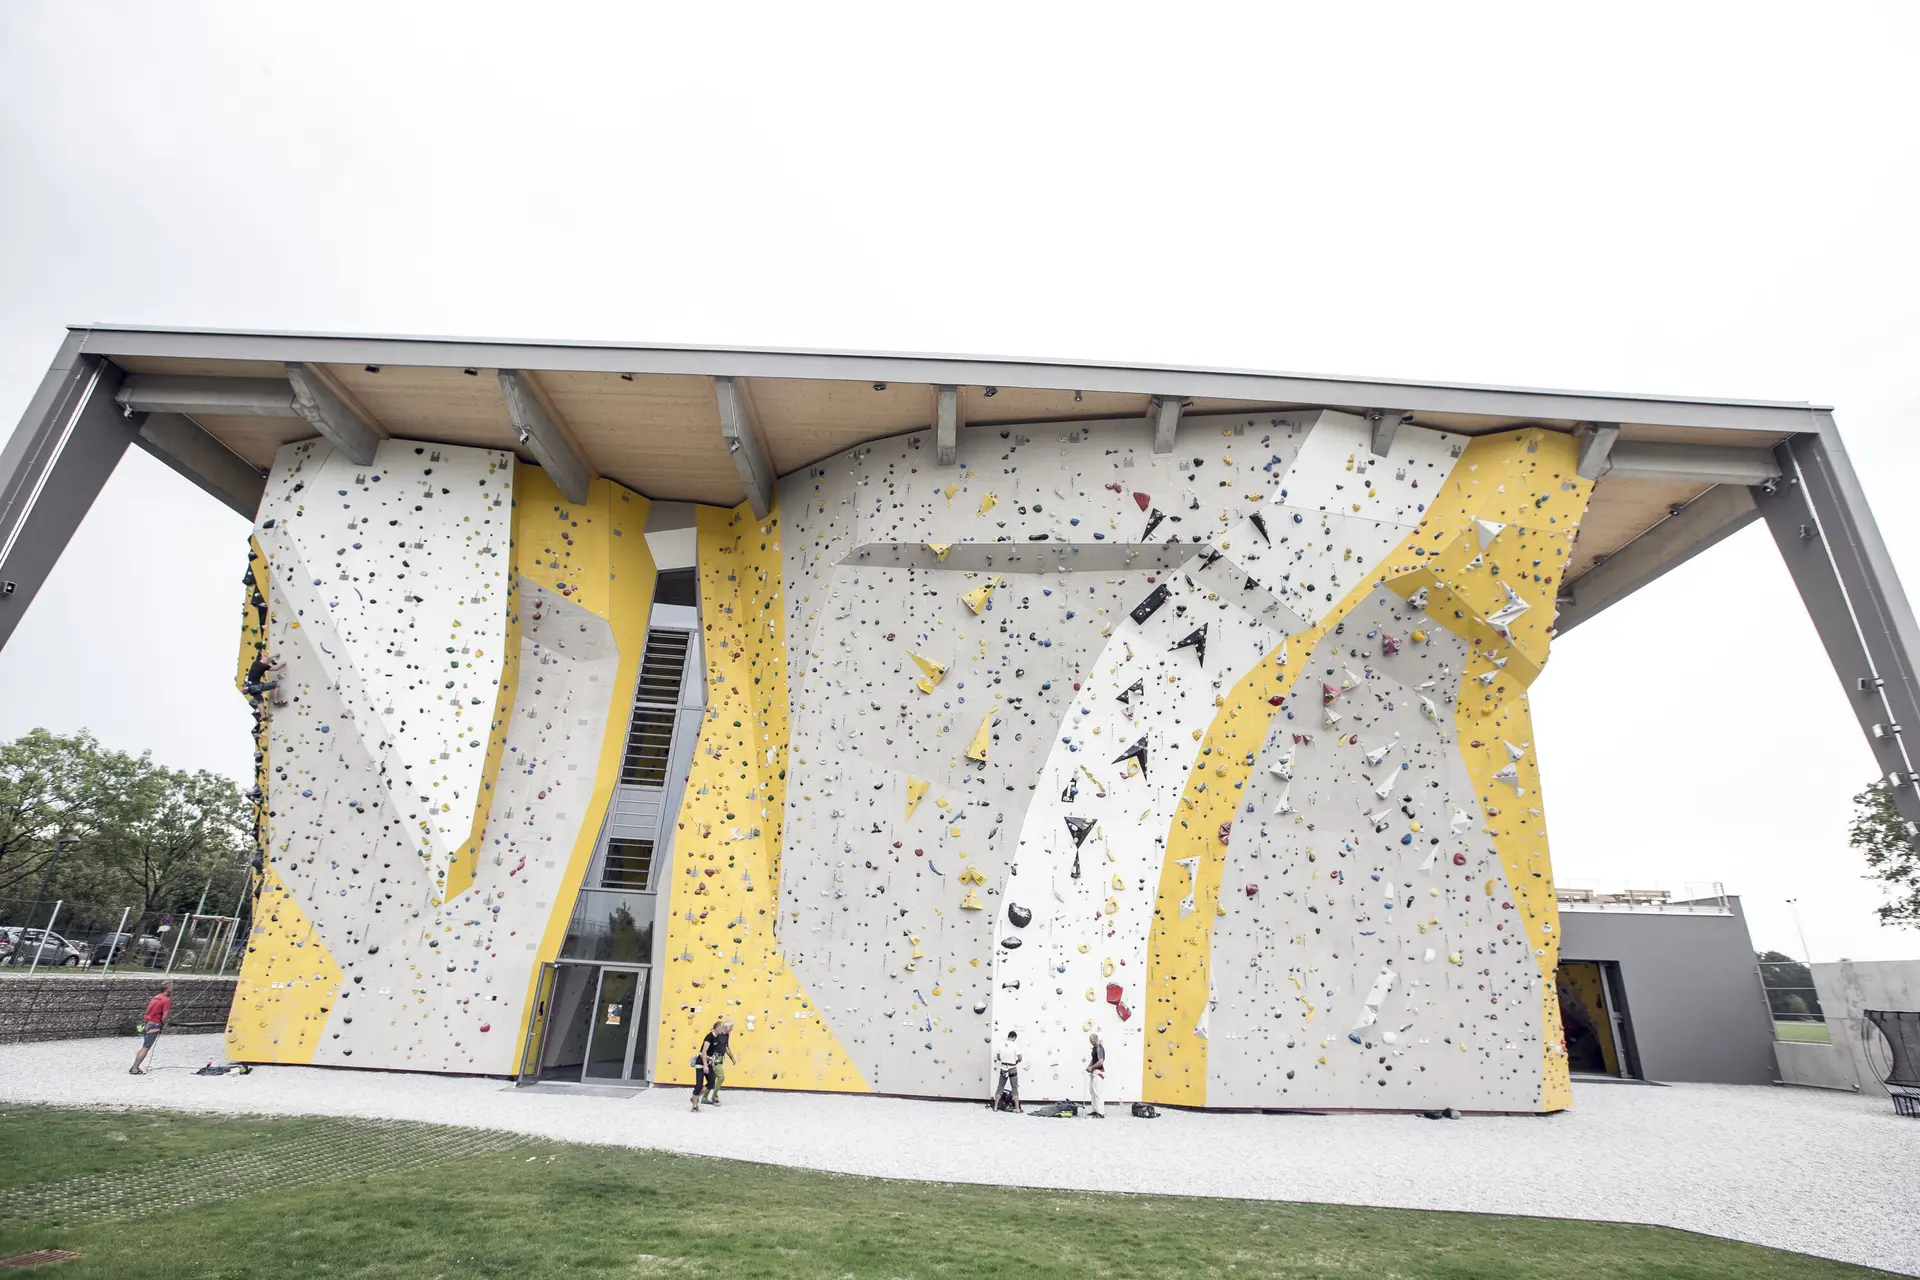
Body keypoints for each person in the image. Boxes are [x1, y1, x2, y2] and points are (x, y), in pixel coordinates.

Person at [130, 980, 173, 1075]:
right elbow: (165, 1016)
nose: (172, 988)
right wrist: (163, 1025)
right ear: (167, 987)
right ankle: (135, 1069)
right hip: (155, 1024)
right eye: (171, 986)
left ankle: (134, 1066)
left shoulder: (156, 997)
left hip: (146, 1023)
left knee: (144, 1046)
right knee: (146, 1047)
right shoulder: (166, 1000)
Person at [700, 1017, 738, 1106]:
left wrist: (731, 1057)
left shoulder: (726, 1035)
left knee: (712, 1079)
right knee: (721, 1076)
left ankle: (704, 1098)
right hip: (714, 1059)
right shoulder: (717, 1035)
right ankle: (714, 1096)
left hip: (720, 1059)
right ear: (725, 1027)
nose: (731, 1030)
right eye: (731, 1028)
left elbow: (726, 1047)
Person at [992, 1031, 1023, 1112]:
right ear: (1014, 1038)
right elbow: (1020, 1058)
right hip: (1012, 1068)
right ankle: (1017, 1108)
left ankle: (995, 1107)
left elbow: (998, 1057)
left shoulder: (1001, 1044)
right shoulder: (1015, 1045)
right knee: (1014, 1088)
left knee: (1000, 1087)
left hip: (1003, 1068)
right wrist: (1016, 1062)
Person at [1086, 1031, 1107, 1118]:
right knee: (1092, 1092)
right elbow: (1093, 1059)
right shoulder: (1094, 1048)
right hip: (1094, 1072)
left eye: (1092, 1040)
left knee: (1098, 1093)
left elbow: (1100, 1062)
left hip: (1098, 1072)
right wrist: (1089, 1066)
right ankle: (1095, 1110)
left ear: (1095, 1039)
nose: (1091, 1042)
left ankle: (1101, 1113)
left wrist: (1091, 1067)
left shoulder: (1099, 1048)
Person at [690, 1044, 710, 1112]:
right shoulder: (709, 1038)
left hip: (709, 1063)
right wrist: (705, 1065)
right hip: (700, 1063)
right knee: (699, 1085)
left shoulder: (721, 1038)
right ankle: (694, 1106)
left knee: (711, 1083)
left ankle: (695, 1098)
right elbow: (703, 1052)